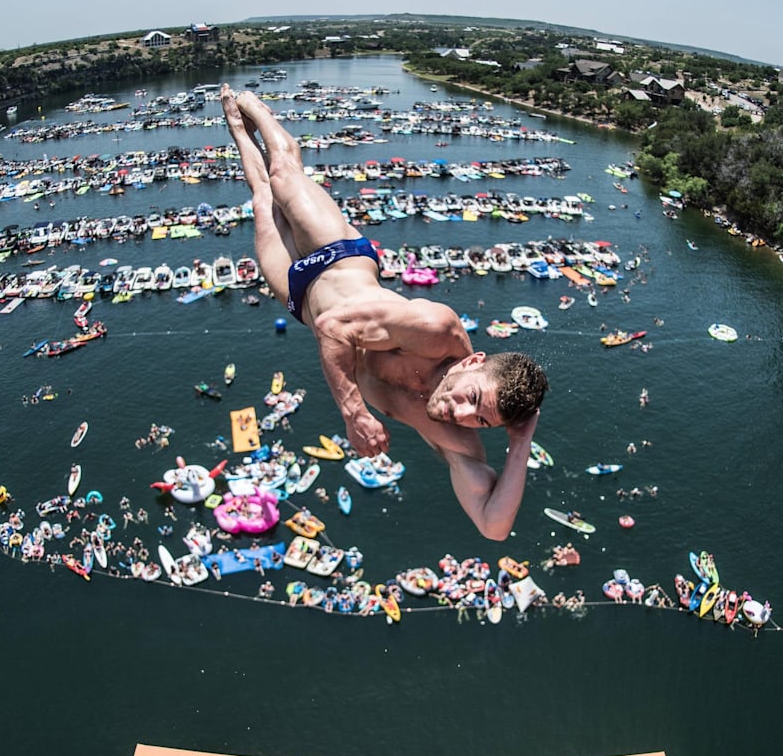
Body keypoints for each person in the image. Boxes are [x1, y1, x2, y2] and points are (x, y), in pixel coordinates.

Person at [221, 86, 548, 540]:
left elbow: (493, 526)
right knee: (281, 171)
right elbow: (336, 327)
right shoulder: (437, 331)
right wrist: (354, 413)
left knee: (261, 198)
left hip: (302, 301)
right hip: (337, 257)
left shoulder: (454, 438)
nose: (461, 414)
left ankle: (237, 126)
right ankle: (254, 107)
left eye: (482, 421)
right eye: (472, 399)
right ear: (473, 362)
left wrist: (520, 445)